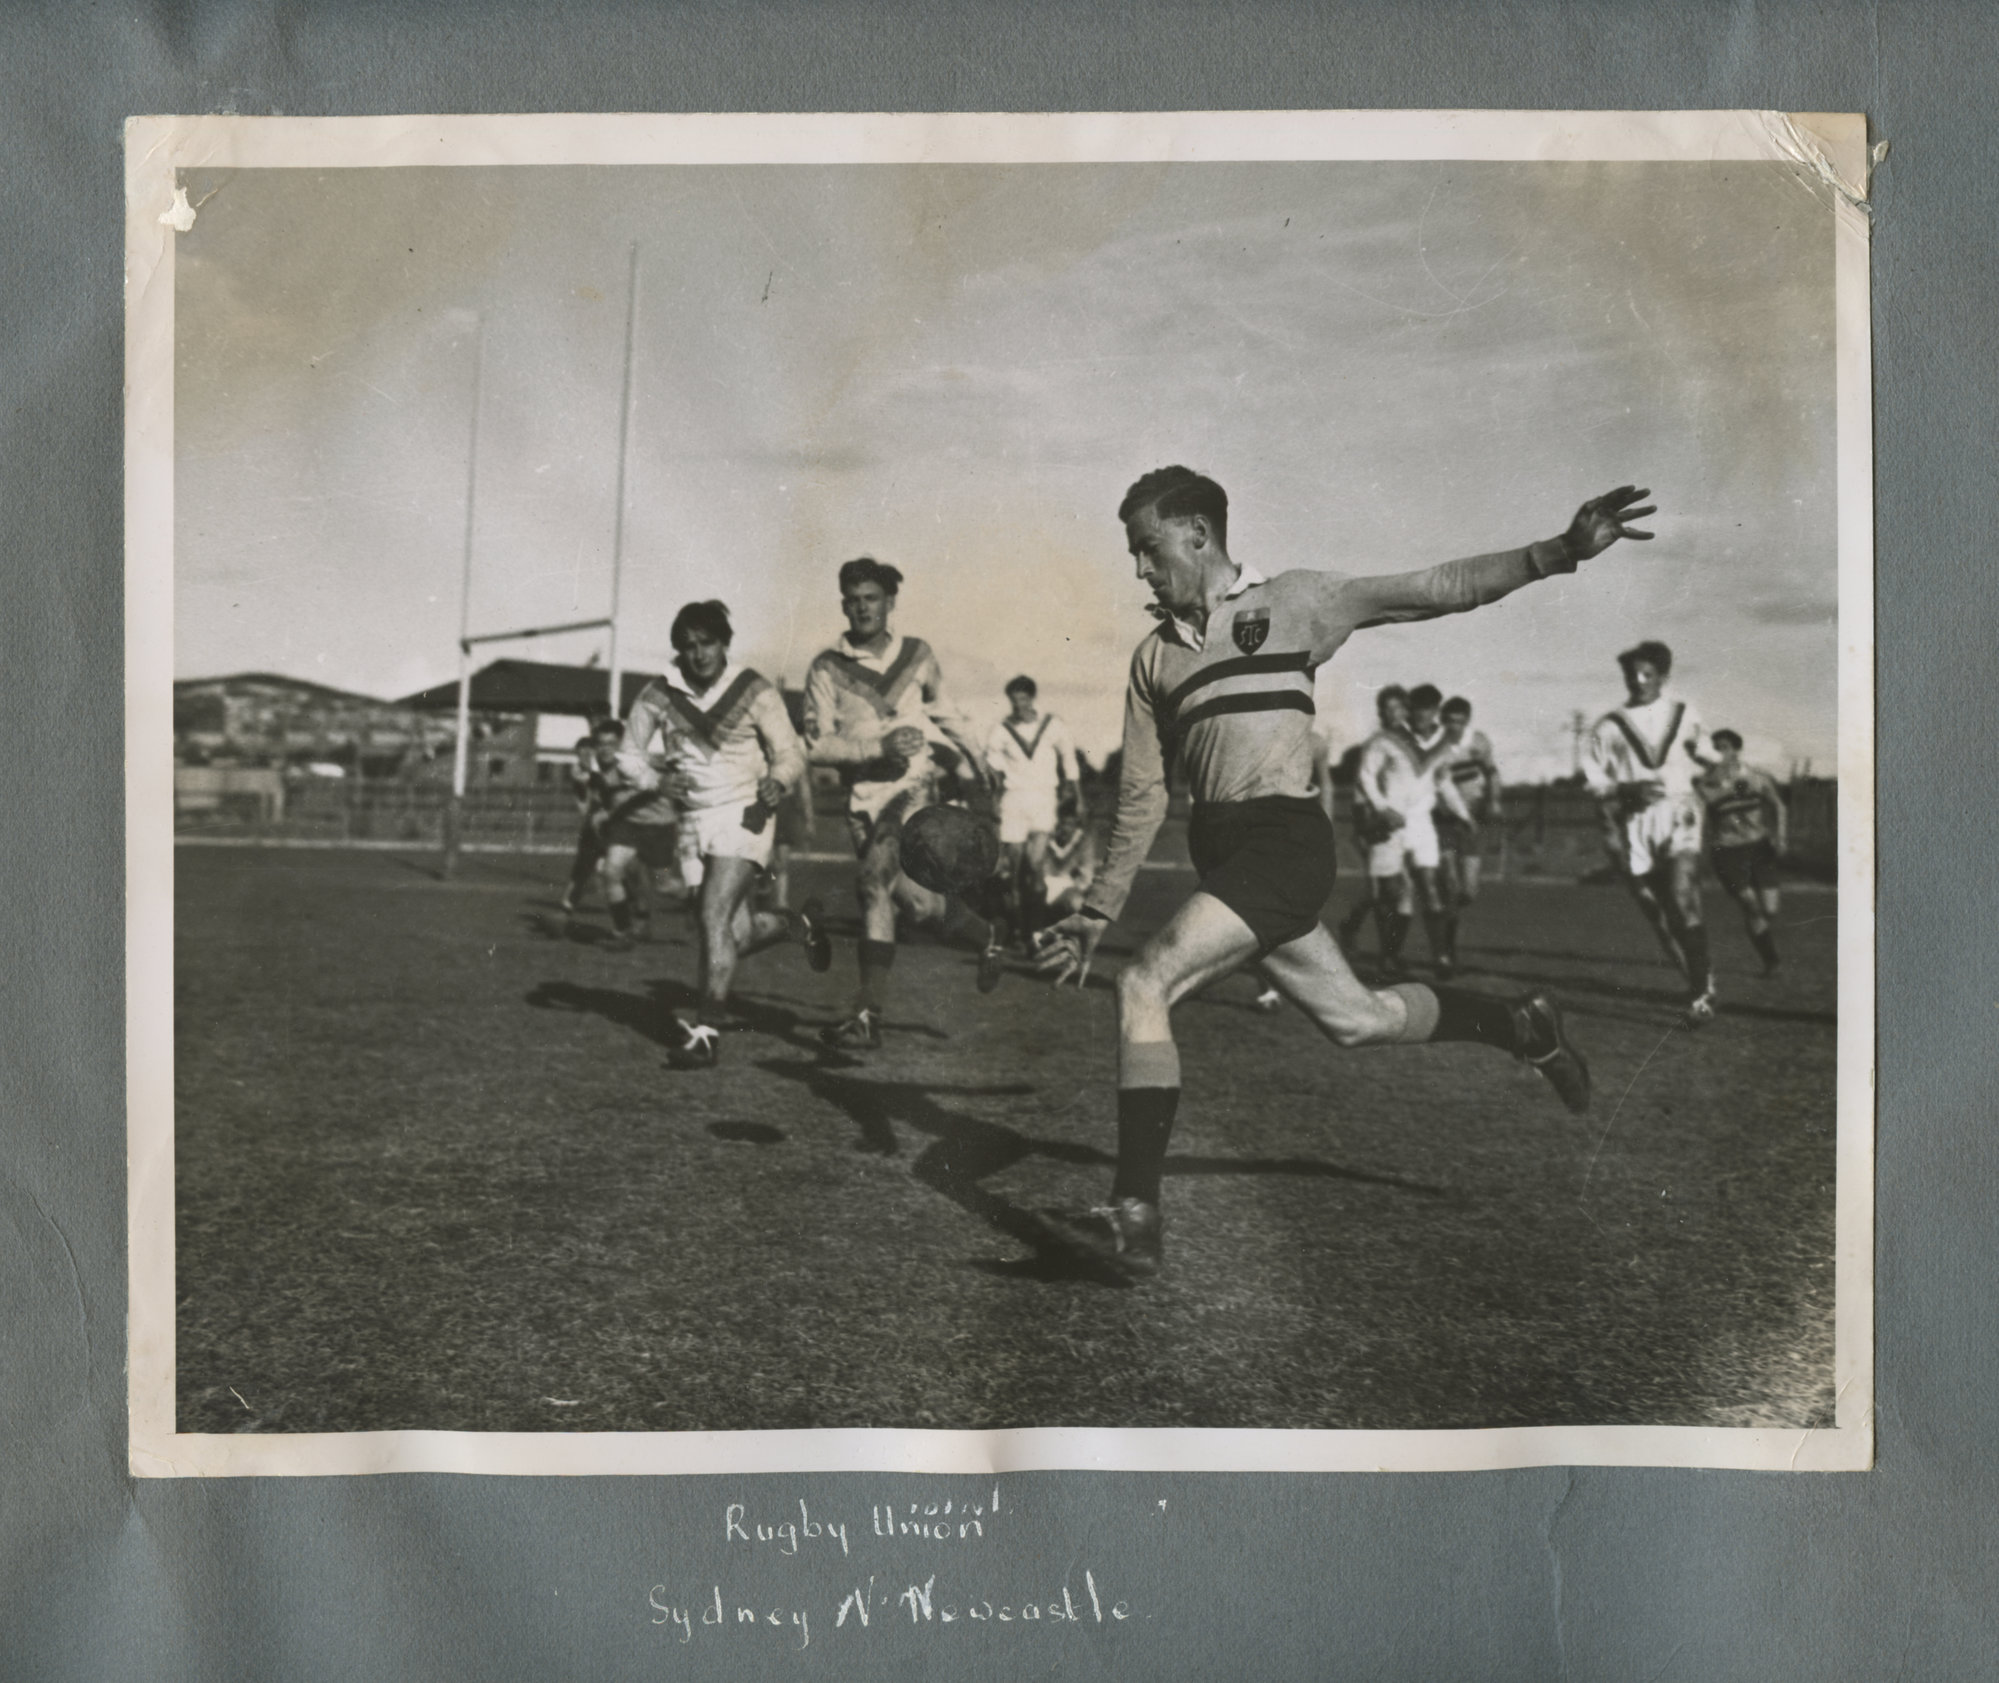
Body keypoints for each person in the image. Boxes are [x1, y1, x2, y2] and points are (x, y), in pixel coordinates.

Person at [1033, 465, 1653, 1277]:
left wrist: (1559, 550)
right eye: (1134, 555)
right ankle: (1521, 1025)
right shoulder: (1153, 658)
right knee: (1358, 1019)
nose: (1140, 569)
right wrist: (1096, 908)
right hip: (1227, 858)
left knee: (1143, 983)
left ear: (1197, 534)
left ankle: (1134, 1215)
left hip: (1284, 845)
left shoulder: (1295, 600)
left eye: (1149, 549)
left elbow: (1434, 588)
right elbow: (1142, 794)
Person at [802, 557, 1006, 1051]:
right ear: (843, 605)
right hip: (862, 800)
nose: (862, 608)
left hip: (912, 790)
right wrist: (876, 748)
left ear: (890, 603)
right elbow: (816, 745)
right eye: (853, 600)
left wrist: (978, 757)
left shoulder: (917, 654)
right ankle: (986, 937)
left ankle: (866, 1016)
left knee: (873, 883)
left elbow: (946, 711)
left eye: (871, 598)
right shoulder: (826, 668)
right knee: (917, 906)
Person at [618, 600, 832, 1068]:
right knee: (734, 932)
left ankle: (706, 1032)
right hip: (693, 821)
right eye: (688, 645)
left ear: (725, 643)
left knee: (711, 914)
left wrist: (779, 780)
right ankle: (797, 925)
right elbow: (628, 755)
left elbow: (790, 752)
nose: (699, 654)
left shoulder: (753, 689)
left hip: (746, 811)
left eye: (707, 643)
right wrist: (655, 780)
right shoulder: (658, 693)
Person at [1583, 640, 1720, 1022]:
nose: (1639, 681)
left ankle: (1700, 997)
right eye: (1633, 675)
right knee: (1663, 914)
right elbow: (1594, 781)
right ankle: (1702, 977)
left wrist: (1705, 788)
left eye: (1648, 674)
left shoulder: (1684, 713)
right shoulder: (1608, 726)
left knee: (1680, 895)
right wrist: (1625, 790)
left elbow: (1712, 758)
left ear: (1663, 677)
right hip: (1636, 824)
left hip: (1679, 813)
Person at [984, 675, 1081, 941]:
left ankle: (1034, 930)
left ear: (1032, 698)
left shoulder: (1052, 724)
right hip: (1013, 802)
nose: (1019, 705)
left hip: (1043, 800)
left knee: (1035, 866)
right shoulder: (1001, 730)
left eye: (1023, 699)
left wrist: (1077, 796)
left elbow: (1069, 759)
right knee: (1013, 872)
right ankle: (1016, 928)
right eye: (1014, 700)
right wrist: (993, 797)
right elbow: (992, 768)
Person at [1696, 728, 1788, 975]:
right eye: (1715, 748)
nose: (1719, 753)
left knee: (1770, 909)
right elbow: (1699, 817)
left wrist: (1780, 836)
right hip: (1726, 851)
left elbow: (1779, 807)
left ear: (1736, 750)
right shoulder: (1705, 784)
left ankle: (1766, 948)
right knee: (1751, 906)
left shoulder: (1757, 777)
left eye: (1724, 747)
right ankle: (1772, 962)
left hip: (1759, 848)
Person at [1334, 686, 1411, 963]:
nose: (1393, 714)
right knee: (1383, 891)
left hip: (1407, 827)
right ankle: (1386, 954)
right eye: (1387, 709)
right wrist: (1364, 829)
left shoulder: (1414, 744)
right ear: (1381, 713)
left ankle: (1359, 932)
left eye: (1398, 708)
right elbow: (1361, 791)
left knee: (1396, 891)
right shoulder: (1375, 745)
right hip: (1378, 827)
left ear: (1407, 710)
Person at [1437, 694, 1502, 908]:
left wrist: (1494, 801)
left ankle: (1459, 898)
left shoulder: (1477, 741)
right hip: (1444, 810)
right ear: (1443, 720)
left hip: (1472, 807)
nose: (1454, 726)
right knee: (1449, 873)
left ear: (1467, 721)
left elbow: (1492, 772)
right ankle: (1447, 912)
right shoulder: (1436, 743)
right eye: (1449, 721)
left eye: (1459, 721)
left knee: (1469, 890)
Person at [559, 726, 608, 915]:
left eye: (589, 753)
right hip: (595, 823)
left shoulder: (605, 767)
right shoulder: (578, 771)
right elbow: (583, 802)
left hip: (613, 821)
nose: (585, 757)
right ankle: (567, 904)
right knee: (582, 866)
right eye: (581, 754)